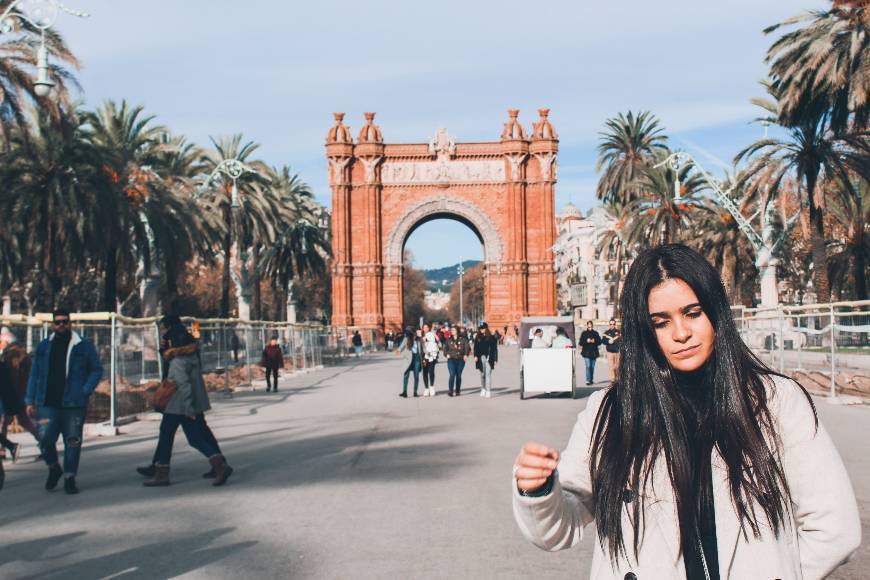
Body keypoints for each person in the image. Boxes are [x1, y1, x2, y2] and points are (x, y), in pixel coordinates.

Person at [512, 244, 861, 580]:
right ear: (644, 331)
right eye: (661, 322)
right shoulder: (612, 411)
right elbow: (561, 526)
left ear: (715, 311)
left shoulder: (776, 402)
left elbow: (835, 528)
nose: (681, 333)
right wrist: (539, 491)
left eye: (693, 313)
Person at [138, 315, 233, 487]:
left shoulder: (177, 362)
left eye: (164, 332)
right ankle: (218, 463)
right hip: (188, 403)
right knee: (193, 435)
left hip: (178, 404)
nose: (162, 336)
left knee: (180, 436)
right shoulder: (191, 354)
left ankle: (164, 472)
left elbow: (184, 385)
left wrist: (188, 408)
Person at [25, 309, 103, 495]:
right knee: (44, 440)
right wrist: (29, 399)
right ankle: (54, 467)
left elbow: (96, 369)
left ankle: (69, 477)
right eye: (58, 322)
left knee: (72, 442)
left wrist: (84, 390)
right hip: (47, 403)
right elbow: (34, 374)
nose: (61, 325)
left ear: (70, 323)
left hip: (73, 404)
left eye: (65, 322)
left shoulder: (83, 345)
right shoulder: (44, 346)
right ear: (52, 325)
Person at [0, 331, 39, 463]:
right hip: (19, 394)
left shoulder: (12, 355)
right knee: (23, 421)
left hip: (12, 395)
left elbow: (12, 378)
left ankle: (3, 449)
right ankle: (46, 444)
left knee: (4, 422)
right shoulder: (22, 355)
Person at [473, 322, 498, 398]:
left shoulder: (492, 338)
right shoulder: (478, 338)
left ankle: (488, 391)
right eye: (480, 328)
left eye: (483, 328)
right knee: (482, 374)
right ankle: (483, 388)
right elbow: (475, 348)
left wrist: (495, 359)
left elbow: (495, 349)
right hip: (481, 358)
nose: (481, 330)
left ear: (486, 328)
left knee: (488, 374)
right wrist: (475, 356)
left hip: (489, 358)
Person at [444, 326, 470, 397]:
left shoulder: (463, 339)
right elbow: (445, 349)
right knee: (452, 374)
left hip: (460, 359)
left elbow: (467, 348)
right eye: (451, 330)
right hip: (451, 359)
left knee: (458, 375)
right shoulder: (448, 340)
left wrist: (466, 355)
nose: (452, 331)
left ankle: (458, 390)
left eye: (454, 330)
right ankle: (450, 391)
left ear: (457, 331)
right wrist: (446, 354)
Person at [397, 328, 423, 398]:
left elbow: (423, 348)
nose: (416, 334)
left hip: (416, 359)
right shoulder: (407, 339)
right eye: (415, 333)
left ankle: (415, 392)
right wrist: (398, 350)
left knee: (416, 376)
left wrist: (426, 355)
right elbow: (402, 346)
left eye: (416, 333)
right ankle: (404, 392)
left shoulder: (419, 340)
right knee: (406, 375)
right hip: (408, 359)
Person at [579, 320, 602, 385]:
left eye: (591, 327)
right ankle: (587, 380)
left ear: (592, 326)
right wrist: (587, 341)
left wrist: (594, 341)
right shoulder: (584, 333)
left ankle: (591, 380)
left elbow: (600, 342)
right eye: (589, 327)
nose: (590, 328)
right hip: (586, 353)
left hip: (594, 353)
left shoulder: (595, 333)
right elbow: (580, 343)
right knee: (588, 366)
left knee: (592, 367)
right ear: (587, 326)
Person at [421, 323, 440, 397]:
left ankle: (431, 387)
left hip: (432, 355)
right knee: (425, 372)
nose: (425, 328)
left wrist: (437, 342)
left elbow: (438, 341)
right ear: (422, 328)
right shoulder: (421, 336)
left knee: (431, 371)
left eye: (427, 327)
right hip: (423, 356)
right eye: (424, 327)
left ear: (429, 328)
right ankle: (426, 388)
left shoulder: (432, 334)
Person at [603, 318, 621, 383]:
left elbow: (621, 340)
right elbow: (603, 341)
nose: (612, 325)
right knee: (611, 367)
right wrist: (608, 341)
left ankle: (617, 378)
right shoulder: (606, 333)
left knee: (617, 366)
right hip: (610, 352)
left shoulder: (618, 332)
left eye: (613, 324)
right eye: (611, 324)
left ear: (615, 324)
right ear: (609, 325)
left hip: (617, 351)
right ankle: (613, 380)